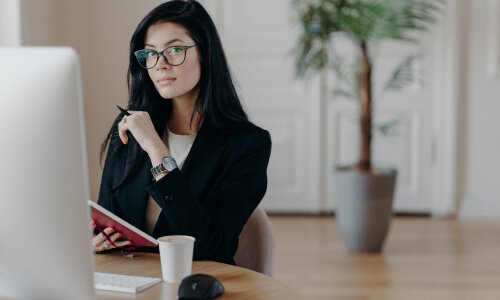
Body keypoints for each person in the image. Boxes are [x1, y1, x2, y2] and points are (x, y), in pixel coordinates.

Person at [92, 0, 271, 266]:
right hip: (132, 283)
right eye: (150, 53)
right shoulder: (131, 125)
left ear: (205, 53)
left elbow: (208, 245)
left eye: (174, 50)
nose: (159, 65)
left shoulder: (248, 144)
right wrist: (97, 241)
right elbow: (108, 220)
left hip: (198, 283)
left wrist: (157, 151)